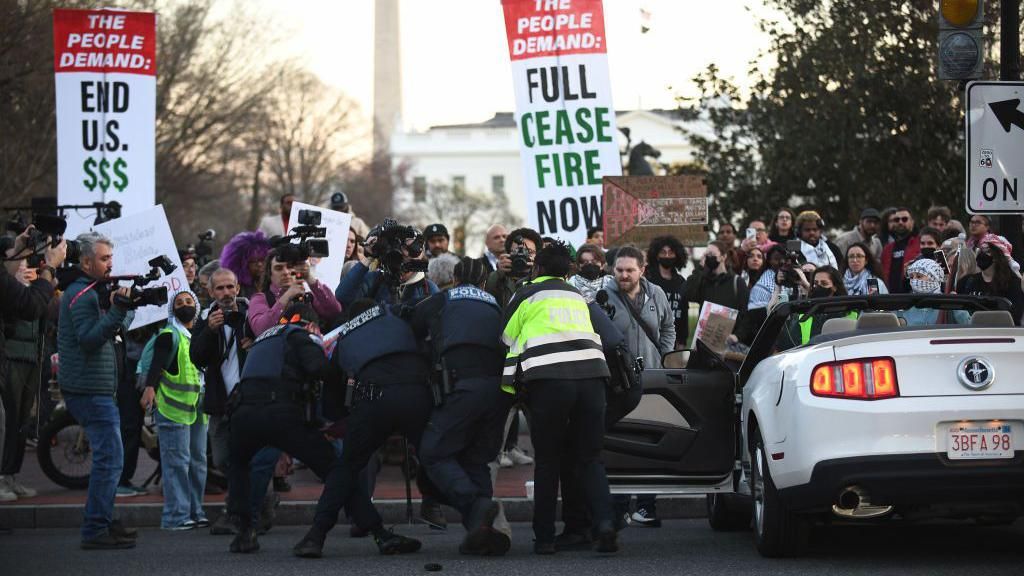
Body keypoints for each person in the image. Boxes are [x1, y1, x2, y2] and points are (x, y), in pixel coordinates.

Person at [502, 242, 618, 555]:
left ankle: (544, 538)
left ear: (537, 268)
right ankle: (605, 525)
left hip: (550, 382)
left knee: (549, 460)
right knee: (590, 457)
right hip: (592, 379)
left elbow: (506, 336)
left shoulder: (527, 293)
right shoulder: (578, 295)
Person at [290, 300, 428, 558]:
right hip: (415, 392)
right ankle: (475, 514)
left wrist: (345, 420)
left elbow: (334, 398)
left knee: (347, 468)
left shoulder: (346, 337)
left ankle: (316, 536)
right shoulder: (398, 320)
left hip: (371, 398)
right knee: (435, 457)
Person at [409, 257, 514, 555]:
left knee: (433, 453)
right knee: (475, 461)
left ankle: (477, 505)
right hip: (500, 391)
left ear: (454, 279)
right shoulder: (497, 306)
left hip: (462, 387)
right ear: (484, 283)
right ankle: (484, 535)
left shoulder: (441, 300)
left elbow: (411, 328)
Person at [57, 231, 139, 549]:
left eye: (111, 257)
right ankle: (95, 529)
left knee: (110, 460)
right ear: (87, 261)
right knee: (110, 460)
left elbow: (119, 325)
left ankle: (103, 520)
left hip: (96, 387)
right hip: (88, 389)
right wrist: (119, 309)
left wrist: (126, 305)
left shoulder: (93, 291)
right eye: (104, 259)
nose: (110, 264)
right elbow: (91, 339)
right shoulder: (81, 294)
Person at [190, 268, 280, 535]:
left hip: (251, 401)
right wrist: (208, 331)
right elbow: (197, 356)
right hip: (221, 403)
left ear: (238, 288)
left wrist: (255, 346)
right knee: (222, 459)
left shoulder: (252, 313)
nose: (226, 293)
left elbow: (271, 342)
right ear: (210, 292)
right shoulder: (205, 319)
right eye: (220, 288)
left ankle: (247, 510)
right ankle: (256, 502)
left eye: (230, 287)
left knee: (255, 458)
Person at [604, 247, 675, 527]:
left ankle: (646, 506)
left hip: (652, 377)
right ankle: (619, 506)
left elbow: (668, 327)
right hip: (617, 382)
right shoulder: (603, 296)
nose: (623, 275)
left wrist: (665, 357)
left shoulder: (656, 293)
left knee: (650, 440)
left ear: (642, 270)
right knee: (620, 442)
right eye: (619, 269)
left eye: (629, 270)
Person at [0, 229, 64, 502]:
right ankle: (2, 476)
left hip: (31, 358)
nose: (24, 268)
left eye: (28, 265)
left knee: (22, 421)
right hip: (11, 358)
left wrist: (49, 289)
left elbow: (46, 314)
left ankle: (11, 476)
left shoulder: (35, 290)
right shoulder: (12, 293)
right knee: (8, 419)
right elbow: (25, 307)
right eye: (19, 264)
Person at [139, 290, 208, 530]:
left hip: (197, 408)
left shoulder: (196, 337)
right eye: (179, 303)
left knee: (197, 461)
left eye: (189, 301)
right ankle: (175, 516)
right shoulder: (169, 335)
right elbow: (157, 363)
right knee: (177, 462)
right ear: (172, 309)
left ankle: (195, 511)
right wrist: (149, 387)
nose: (185, 305)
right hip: (171, 408)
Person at [248, 245, 342, 337]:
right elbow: (260, 330)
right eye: (278, 268)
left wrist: (309, 278)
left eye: (290, 266)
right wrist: (287, 296)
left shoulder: (307, 297)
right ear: (270, 274)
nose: (286, 272)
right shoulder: (260, 298)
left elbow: (335, 311)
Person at [780, 266, 855, 347]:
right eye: (815, 283)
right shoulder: (803, 315)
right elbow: (789, 345)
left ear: (835, 287)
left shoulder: (851, 313)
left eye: (824, 283)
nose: (818, 287)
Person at [956, 234, 1024, 324]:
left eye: (986, 251)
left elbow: (1015, 316)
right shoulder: (966, 281)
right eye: (980, 249)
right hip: (971, 333)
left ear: (997, 256)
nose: (981, 254)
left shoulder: (1013, 283)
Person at [686, 242, 749, 330]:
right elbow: (688, 294)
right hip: (704, 337)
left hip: (728, 338)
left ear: (723, 257)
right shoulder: (704, 281)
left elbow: (745, 314)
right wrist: (699, 268)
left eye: (711, 254)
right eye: (706, 255)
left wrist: (738, 336)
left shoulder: (737, 282)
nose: (708, 257)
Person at [645, 236, 689, 349]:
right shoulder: (648, 279)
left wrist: (682, 340)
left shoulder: (681, 282)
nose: (667, 256)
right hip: (651, 338)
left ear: (677, 255)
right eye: (663, 252)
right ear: (656, 255)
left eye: (671, 252)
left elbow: (684, 312)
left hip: (674, 339)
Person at [485, 228, 543, 309]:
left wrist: (537, 271)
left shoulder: (543, 279)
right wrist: (499, 273)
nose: (522, 255)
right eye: (517, 251)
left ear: (537, 255)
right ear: (508, 254)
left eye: (529, 252)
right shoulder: (499, 279)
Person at [901, 259, 969, 326]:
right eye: (911, 277)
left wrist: (957, 306)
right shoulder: (906, 305)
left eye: (919, 276)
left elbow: (968, 326)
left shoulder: (949, 302)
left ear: (934, 278)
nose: (914, 280)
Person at [219, 231, 271, 300]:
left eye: (262, 260)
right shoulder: (237, 290)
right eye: (253, 261)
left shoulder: (274, 284)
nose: (259, 264)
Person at [881, 207, 920, 294]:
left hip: (912, 298)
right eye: (897, 220)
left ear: (912, 222)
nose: (900, 222)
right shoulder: (887, 249)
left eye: (904, 219)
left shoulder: (921, 244)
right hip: (890, 299)